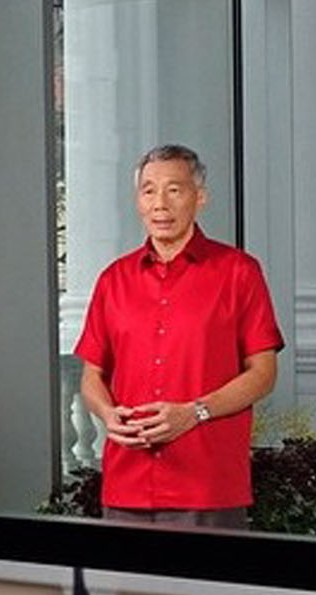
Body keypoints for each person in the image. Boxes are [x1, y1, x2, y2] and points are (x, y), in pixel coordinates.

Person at [76, 145, 283, 529]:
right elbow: (92, 376)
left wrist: (194, 413)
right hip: (126, 484)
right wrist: (107, 414)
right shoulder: (113, 280)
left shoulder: (238, 272)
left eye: (174, 190)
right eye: (148, 190)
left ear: (199, 198)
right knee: (125, 590)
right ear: (138, 201)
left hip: (207, 484)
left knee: (202, 591)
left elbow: (263, 373)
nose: (160, 204)